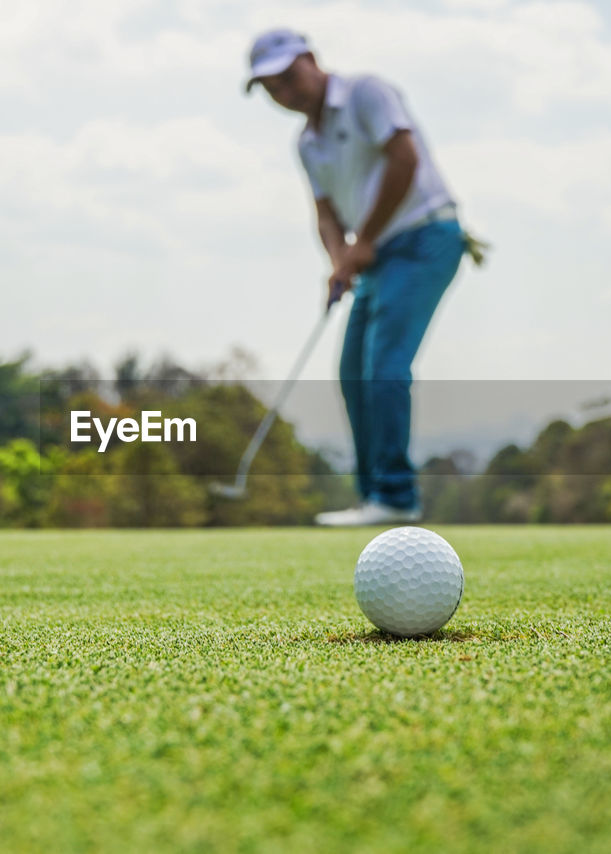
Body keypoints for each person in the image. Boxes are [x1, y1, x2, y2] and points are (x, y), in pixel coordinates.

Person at [245, 28, 485, 526]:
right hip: (375, 254)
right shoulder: (307, 144)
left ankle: (396, 495)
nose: (286, 92)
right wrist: (339, 260)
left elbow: (405, 159)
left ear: (311, 59)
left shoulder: (365, 93)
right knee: (353, 372)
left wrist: (365, 240)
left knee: (384, 366)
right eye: (272, 88)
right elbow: (327, 213)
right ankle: (374, 495)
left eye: (289, 77)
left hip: (424, 238)